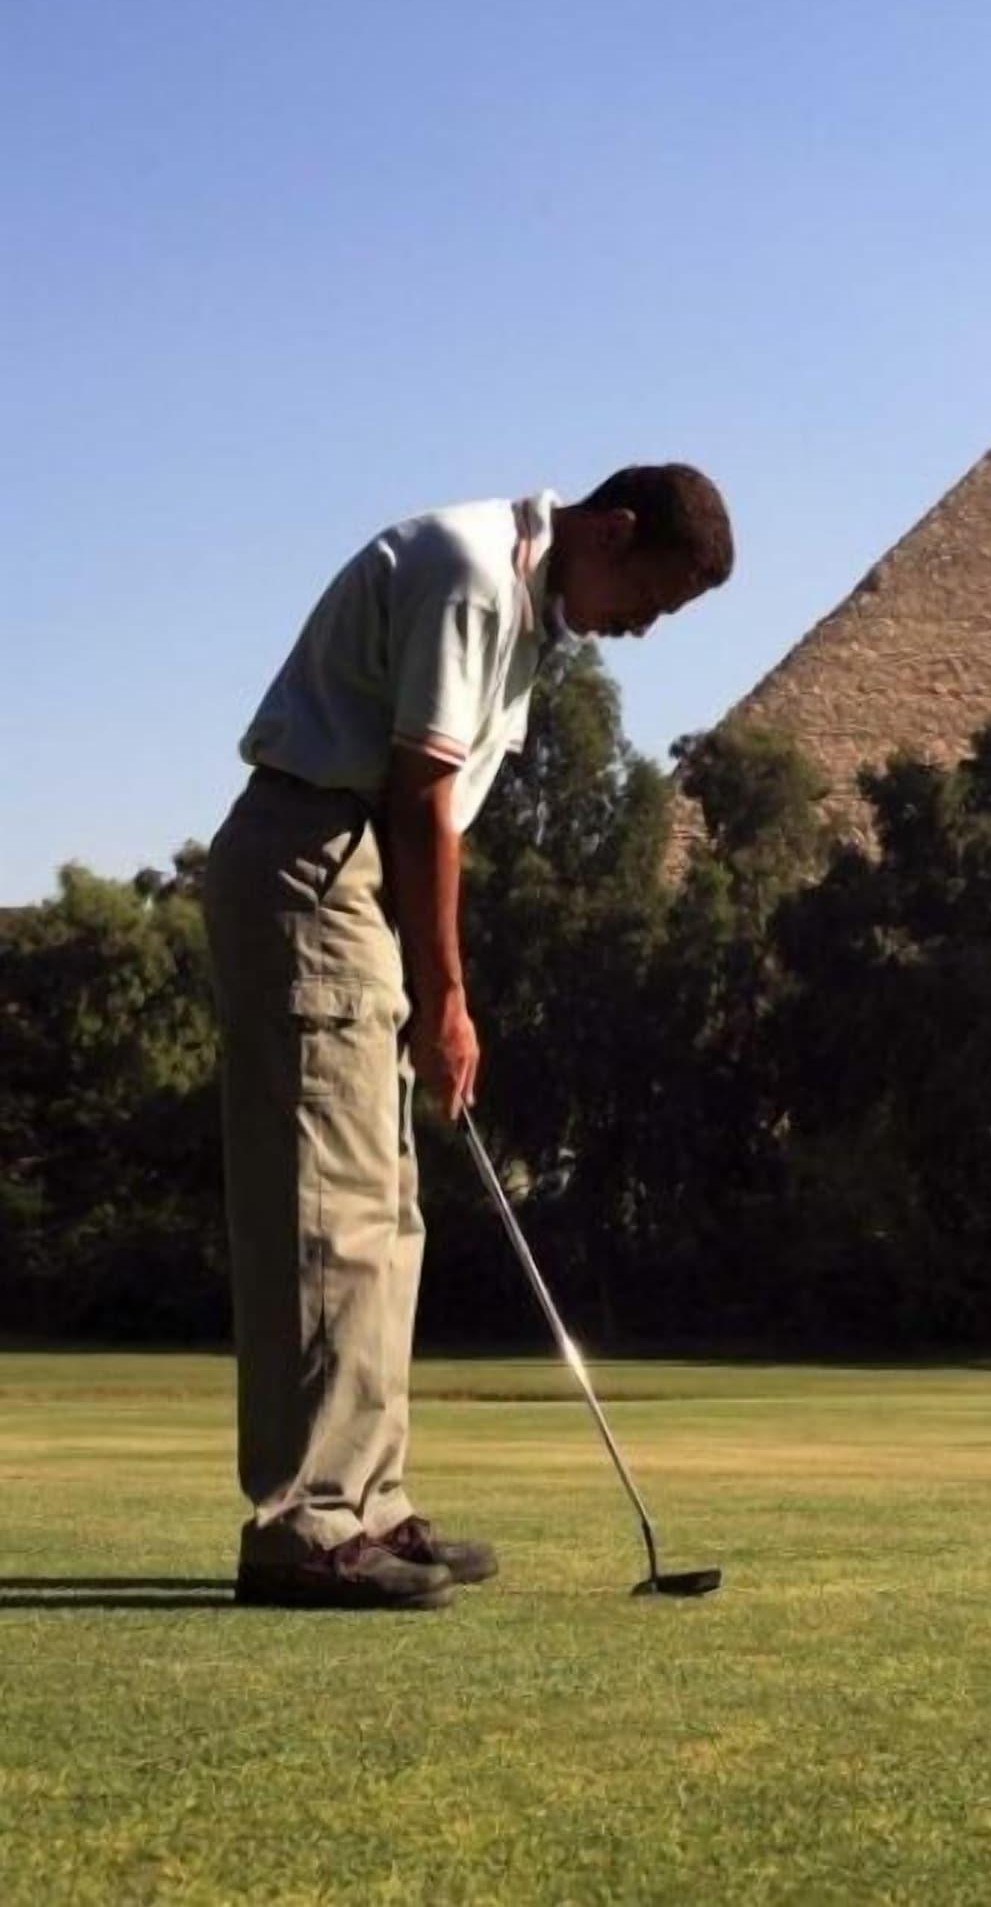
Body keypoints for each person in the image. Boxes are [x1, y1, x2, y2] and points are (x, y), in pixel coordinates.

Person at [202, 467, 733, 1610]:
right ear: (611, 529)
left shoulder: (527, 612)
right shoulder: (472, 574)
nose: (641, 629)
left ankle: (369, 1503)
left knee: (384, 1207)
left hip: (351, 878)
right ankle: (305, 1521)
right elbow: (423, 797)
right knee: (327, 1205)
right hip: (311, 861)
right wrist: (447, 997)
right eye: (648, 599)